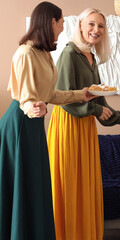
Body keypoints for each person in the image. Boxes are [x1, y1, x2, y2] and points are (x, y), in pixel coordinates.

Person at [0, 2, 97, 240]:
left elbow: (50, 95)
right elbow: (25, 100)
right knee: (24, 183)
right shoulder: (25, 53)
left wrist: (80, 94)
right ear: (51, 22)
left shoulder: (44, 52)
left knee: (36, 184)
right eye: (61, 22)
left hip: (34, 123)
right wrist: (34, 108)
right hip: (20, 124)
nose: (63, 28)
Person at [46, 8, 120, 240]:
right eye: (91, 24)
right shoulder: (69, 53)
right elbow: (65, 98)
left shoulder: (91, 57)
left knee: (85, 187)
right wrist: (96, 109)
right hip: (68, 124)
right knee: (68, 186)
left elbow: (100, 102)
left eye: (101, 26)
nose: (96, 30)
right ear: (80, 26)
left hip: (85, 126)